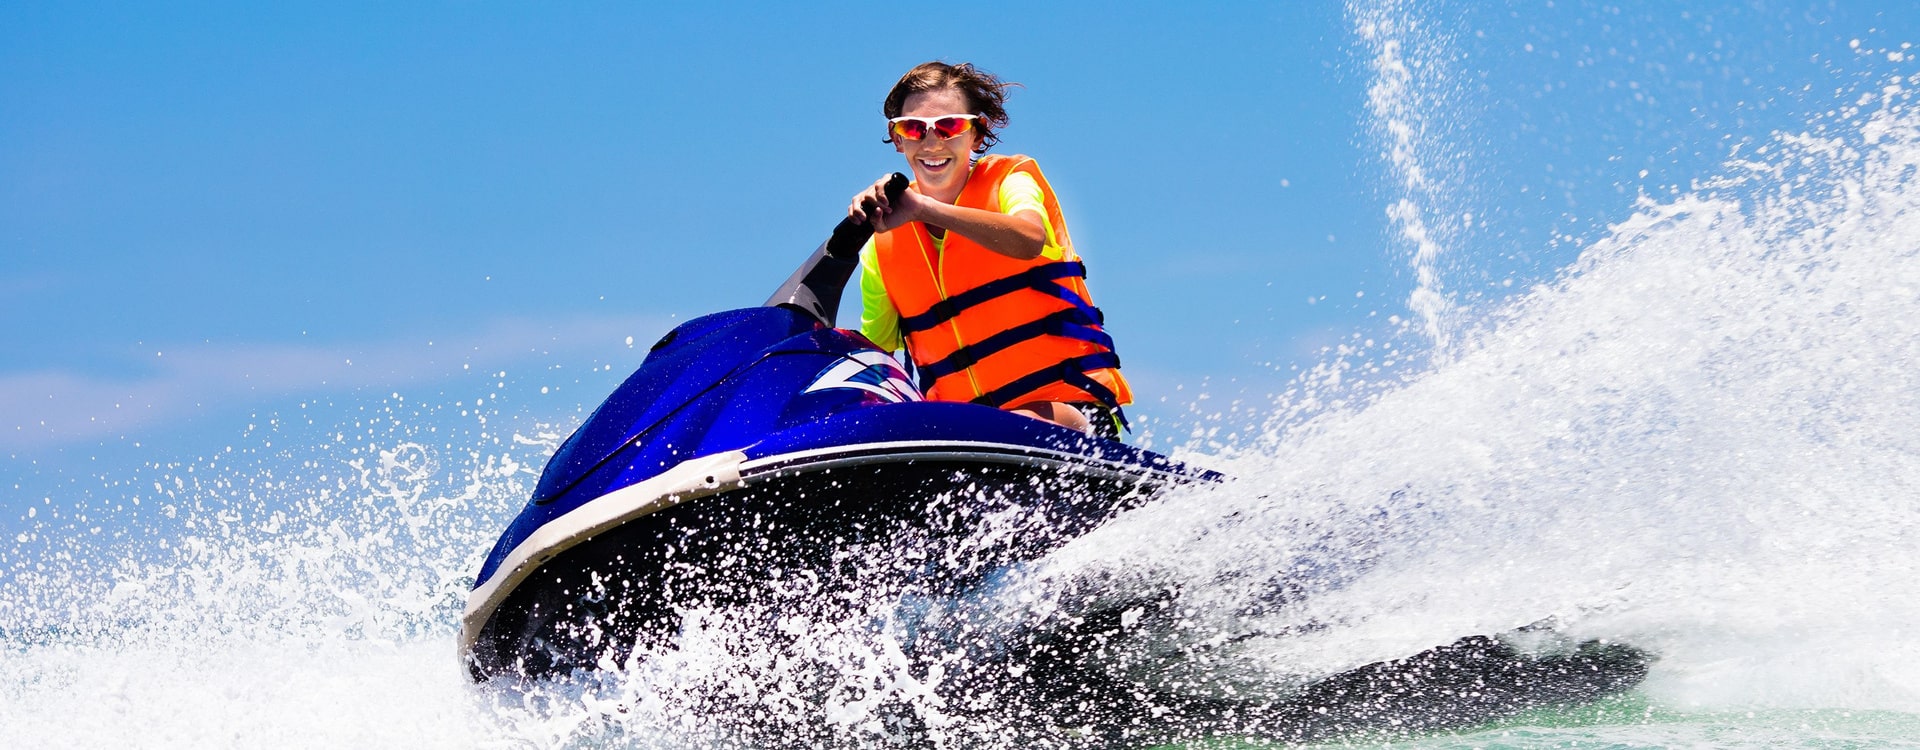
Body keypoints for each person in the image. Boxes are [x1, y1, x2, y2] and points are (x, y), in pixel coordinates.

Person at [847, 61, 1132, 438]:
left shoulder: (1012, 183)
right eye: (914, 129)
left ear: (977, 134)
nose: (932, 142)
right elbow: (877, 357)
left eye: (949, 126)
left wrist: (924, 209)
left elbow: (1029, 239)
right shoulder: (880, 247)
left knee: (1011, 428)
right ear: (897, 138)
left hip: (1072, 415)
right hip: (965, 441)